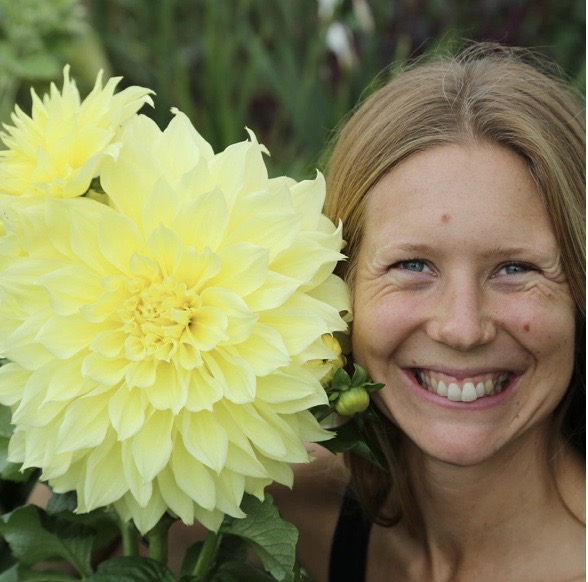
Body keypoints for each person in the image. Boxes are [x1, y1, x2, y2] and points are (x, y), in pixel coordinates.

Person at [270, 43, 586, 581]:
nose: (462, 328)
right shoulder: (276, 517)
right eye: (413, 265)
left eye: (515, 269)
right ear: (338, 286)